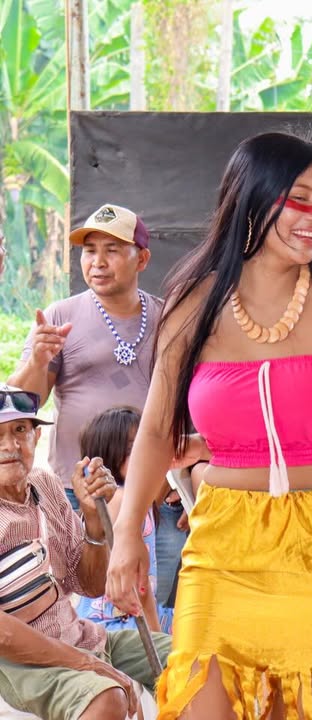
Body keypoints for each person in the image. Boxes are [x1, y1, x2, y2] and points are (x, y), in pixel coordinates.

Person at [104, 131, 312, 719]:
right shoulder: (195, 300)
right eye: (300, 198)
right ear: (252, 197)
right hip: (221, 547)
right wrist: (129, 532)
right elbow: (157, 430)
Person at [0, 385, 170, 720]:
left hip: (82, 637)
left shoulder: (45, 485)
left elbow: (90, 585)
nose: (10, 445)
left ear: (36, 436)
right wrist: (82, 662)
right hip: (19, 664)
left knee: (193, 661)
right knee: (107, 699)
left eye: (20, 430)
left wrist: (93, 518)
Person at [8, 204, 162, 506]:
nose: (98, 262)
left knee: (156, 557)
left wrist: (178, 476)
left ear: (142, 259)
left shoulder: (169, 316)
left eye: (112, 250)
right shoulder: (60, 315)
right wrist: (37, 362)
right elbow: (21, 403)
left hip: (153, 487)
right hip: (76, 489)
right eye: (89, 251)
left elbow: (191, 401)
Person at [76, 406, 172, 634]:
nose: (144, 453)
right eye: (132, 448)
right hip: (117, 624)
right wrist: (157, 634)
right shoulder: (119, 500)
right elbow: (138, 586)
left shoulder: (136, 497)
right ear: (109, 452)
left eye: (144, 444)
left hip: (133, 614)